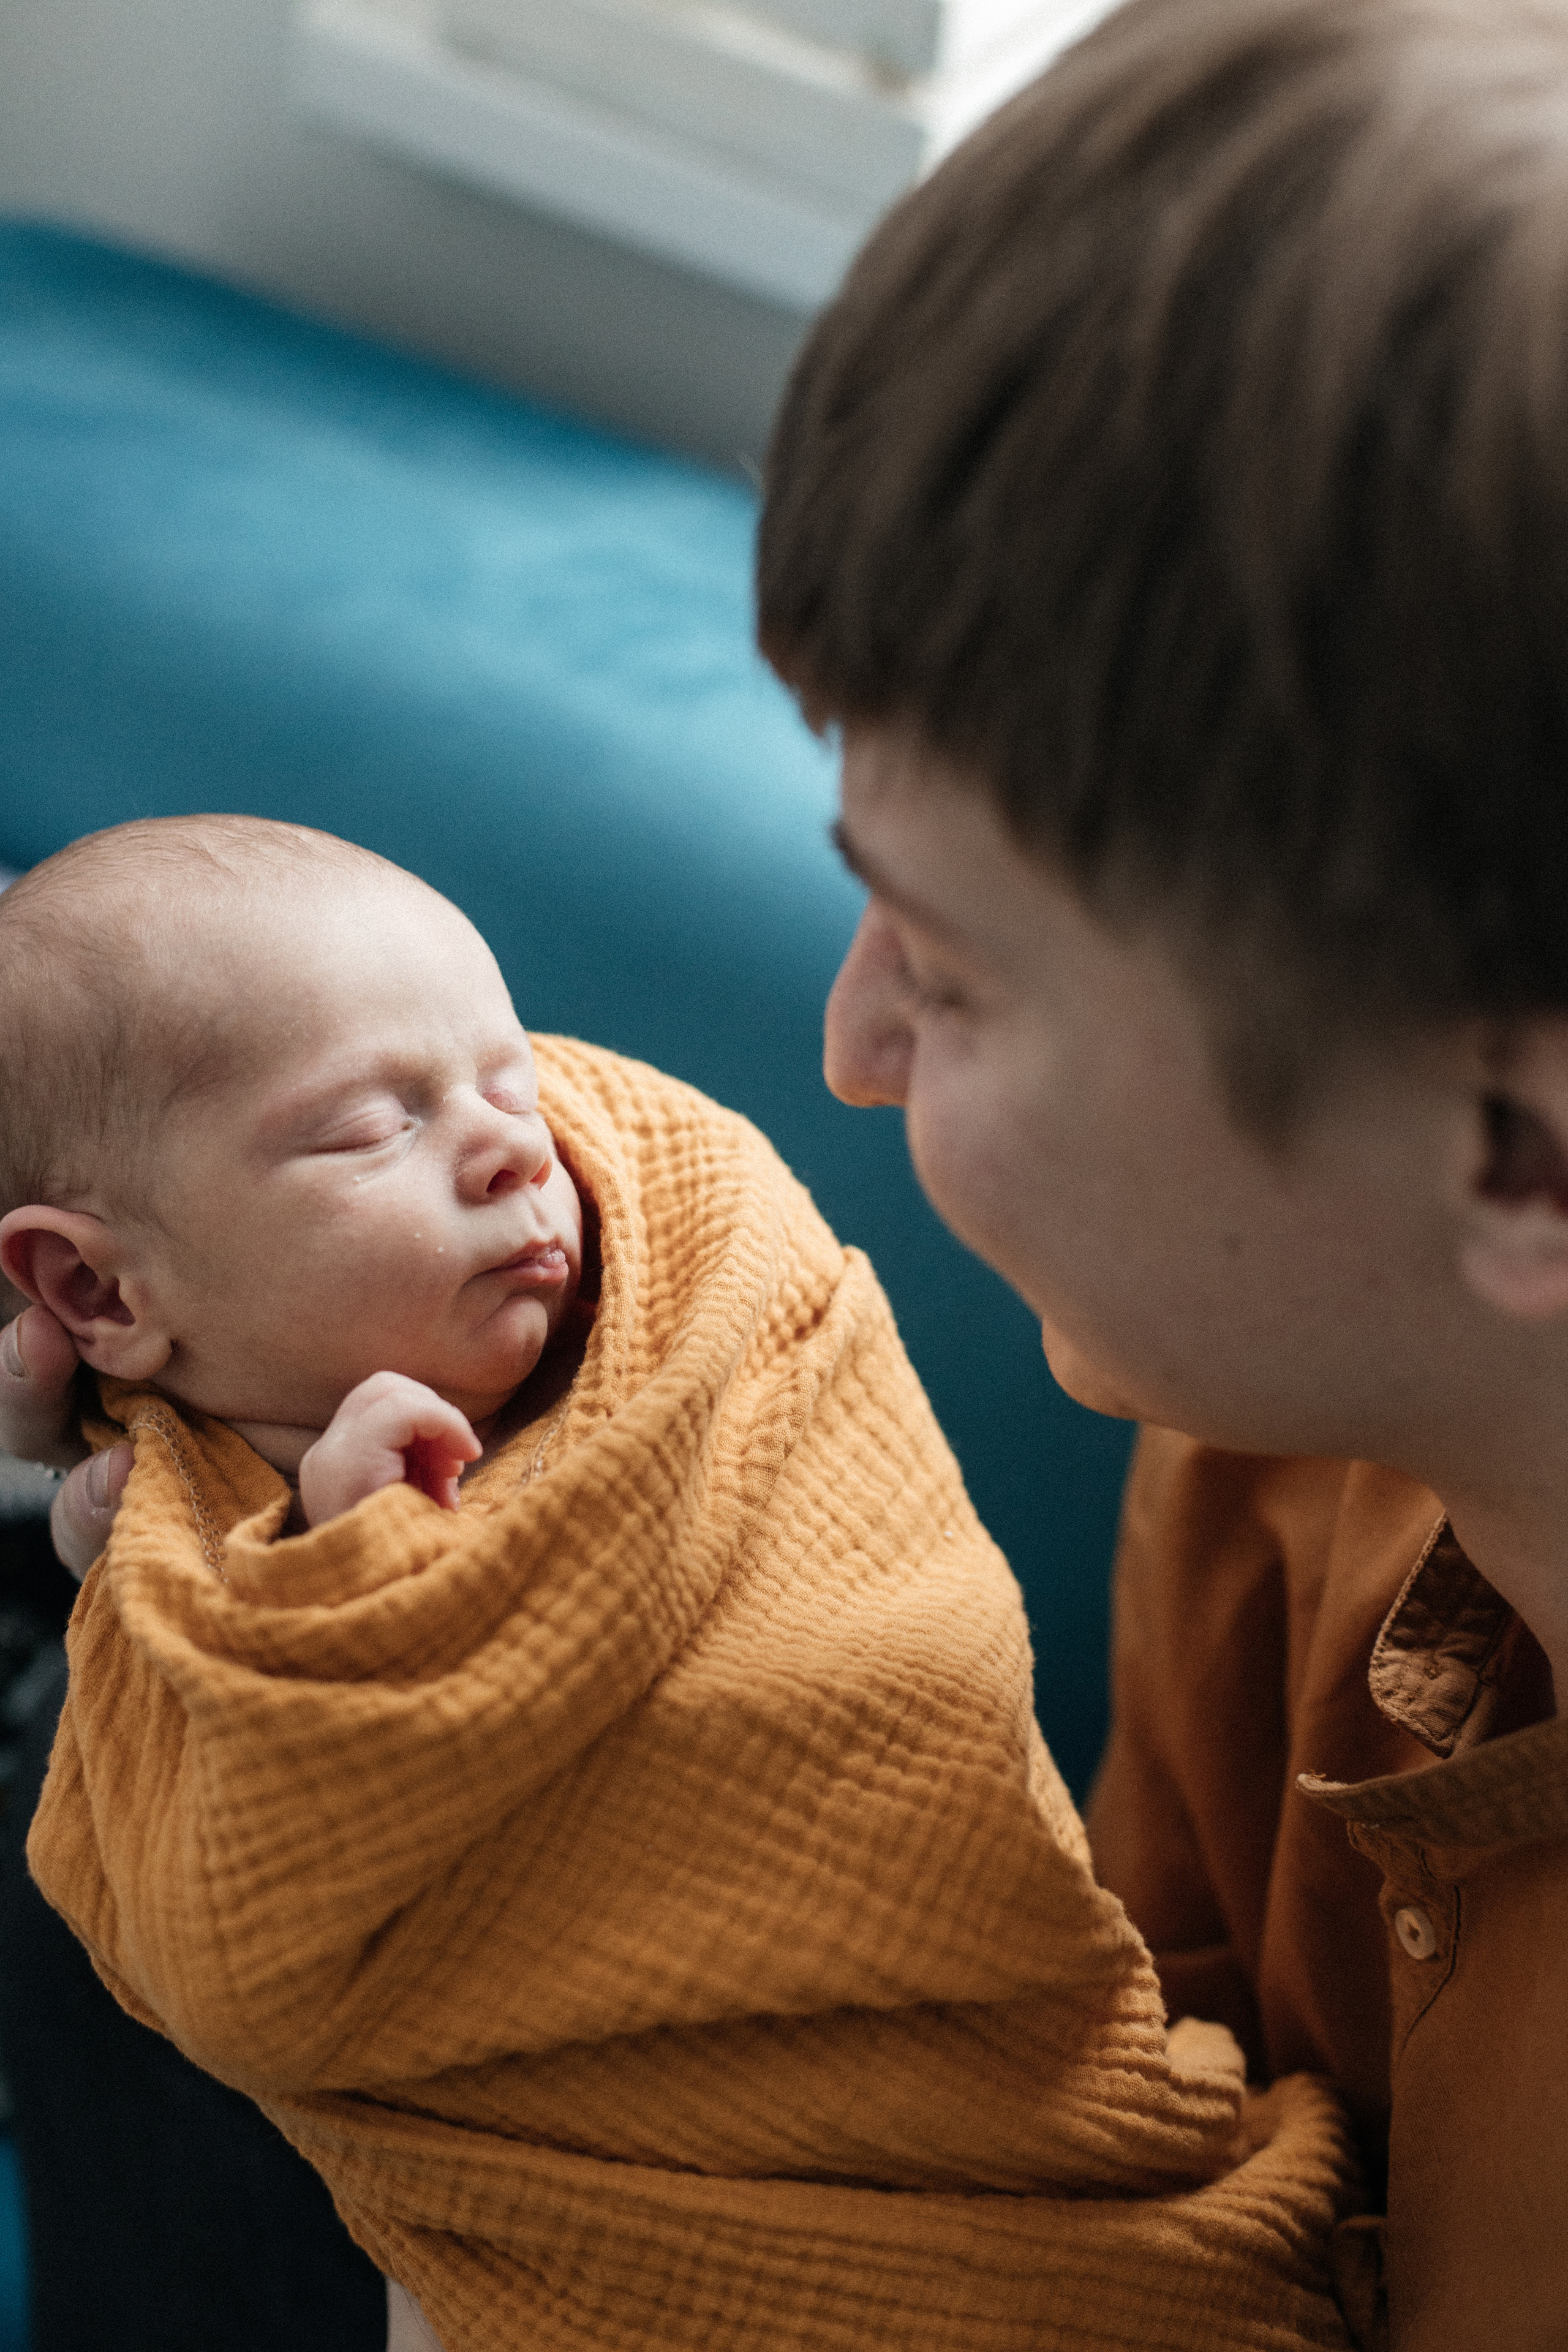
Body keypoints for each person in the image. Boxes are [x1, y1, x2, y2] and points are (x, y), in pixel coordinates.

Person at [0, 815, 1356, 2352]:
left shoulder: (693, 1293)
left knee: (64, 1731)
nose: (519, 1142)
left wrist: (344, 1576)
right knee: (76, 1707)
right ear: (98, 1290)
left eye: (510, 1075)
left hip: (932, 2143)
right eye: (372, 1125)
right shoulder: (175, 1481)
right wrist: (287, 1571)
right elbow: (229, 1928)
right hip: (529, 2145)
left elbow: (870, 1683)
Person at [752, 0, 1568, 2343]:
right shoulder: (1273, 1445)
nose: (852, 1046)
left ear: (1520, 1149)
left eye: (956, 971)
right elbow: (1115, 2185)